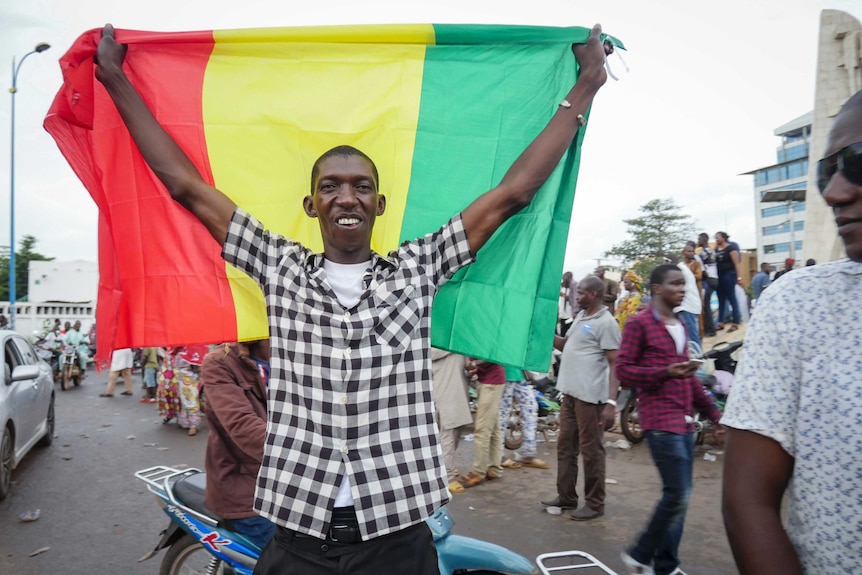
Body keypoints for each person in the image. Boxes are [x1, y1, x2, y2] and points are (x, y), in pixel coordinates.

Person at [94, 21, 609, 574]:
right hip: (296, 532)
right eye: (331, 185)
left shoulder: (418, 268)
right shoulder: (278, 267)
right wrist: (117, 80)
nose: (347, 196)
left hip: (396, 533)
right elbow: (187, 187)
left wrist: (586, 85)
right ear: (312, 204)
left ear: (379, 204)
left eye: (361, 186)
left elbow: (513, 193)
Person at [721, 89, 862, 575]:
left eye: (858, 162)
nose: (835, 192)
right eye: (828, 171)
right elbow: (747, 500)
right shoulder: (801, 305)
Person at [615, 264, 722, 575]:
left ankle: (665, 566)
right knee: (678, 493)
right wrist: (664, 372)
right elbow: (623, 371)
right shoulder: (639, 324)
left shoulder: (681, 325)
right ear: (656, 288)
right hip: (660, 422)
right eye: (675, 283)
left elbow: (687, 379)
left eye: (683, 284)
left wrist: (715, 414)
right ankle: (639, 553)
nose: (682, 289)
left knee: (679, 498)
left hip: (686, 422)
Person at [542, 275, 620, 521]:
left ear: (594, 295)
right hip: (570, 394)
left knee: (591, 451)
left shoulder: (606, 323)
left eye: (582, 293)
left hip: (591, 399)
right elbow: (566, 345)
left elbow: (615, 363)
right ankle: (566, 497)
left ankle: (595, 504)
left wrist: (611, 403)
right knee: (565, 447)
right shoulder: (581, 317)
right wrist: (545, 333)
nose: (577, 296)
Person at [201, 340, 275, 549]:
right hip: (246, 492)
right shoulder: (220, 362)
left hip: (298, 485)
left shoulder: (298, 357)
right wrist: (301, 454)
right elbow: (242, 425)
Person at [456, 359, 506, 488]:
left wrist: (474, 364)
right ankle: (495, 468)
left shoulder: (490, 338)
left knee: (482, 429)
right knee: (494, 429)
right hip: (488, 380)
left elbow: (493, 355)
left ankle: (479, 472)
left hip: (491, 383)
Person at [430, 349, 472, 494]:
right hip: (444, 394)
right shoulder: (438, 345)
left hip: (458, 393)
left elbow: (466, 364)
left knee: (455, 432)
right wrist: (450, 348)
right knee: (447, 435)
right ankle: (446, 479)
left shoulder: (458, 346)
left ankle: (448, 467)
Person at [498, 368, 550, 471]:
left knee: (530, 408)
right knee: (502, 414)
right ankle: (498, 456)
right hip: (505, 375)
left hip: (519, 374)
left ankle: (528, 454)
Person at [158, 346, 204, 436]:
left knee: (191, 401)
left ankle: (194, 425)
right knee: (182, 401)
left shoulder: (193, 347)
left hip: (189, 378)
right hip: (178, 377)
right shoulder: (175, 349)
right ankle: (185, 422)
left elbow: (199, 364)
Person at [714, 232, 742, 332]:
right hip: (719, 276)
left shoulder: (731, 249)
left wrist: (739, 278)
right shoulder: (716, 249)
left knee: (731, 298)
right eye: (715, 237)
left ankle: (735, 322)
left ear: (724, 238)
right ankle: (720, 322)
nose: (716, 239)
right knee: (721, 299)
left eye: (718, 237)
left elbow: (736, 264)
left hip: (729, 275)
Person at [674, 250, 702, 352]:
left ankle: (699, 361)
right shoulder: (682, 268)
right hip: (686, 306)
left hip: (687, 306)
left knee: (692, 338)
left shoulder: (680, 271)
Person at [695, 233, 718, 337]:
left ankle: (710, 330)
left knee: (706, 305)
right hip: (715, 278)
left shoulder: (703, 253)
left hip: (709, 279)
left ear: (704, 239)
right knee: (706, 305)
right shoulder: (711, 250)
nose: (698, 241)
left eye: (699, 239)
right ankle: (710, 329)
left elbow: (703, 270)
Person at [558, 271, 579, 336]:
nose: (563, 281)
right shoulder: (562, 286)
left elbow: (575, 301)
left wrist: (567, 297)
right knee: (563, 332)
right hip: (563, 315)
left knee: (569, 333)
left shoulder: (574, 286)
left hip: (571, 315)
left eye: (564, 279)